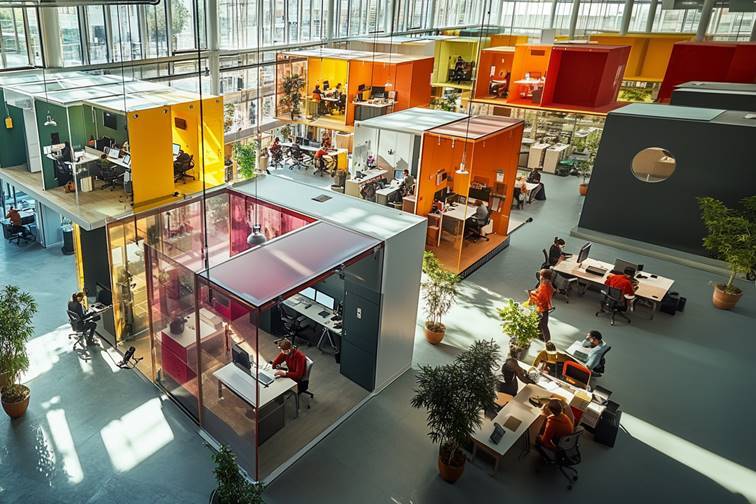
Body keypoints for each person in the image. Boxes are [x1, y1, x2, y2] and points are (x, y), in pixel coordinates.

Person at [529, 269, 554, 342]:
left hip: (543, 308)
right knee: (539, 322)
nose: (540, 278)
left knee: (544, 325)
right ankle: (540, 335)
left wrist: (532, 294)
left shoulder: (546, 288)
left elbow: (541, 298)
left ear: (546, 279)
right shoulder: (544, 283)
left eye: (542, 277)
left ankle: (548, 342)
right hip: (540, 307)